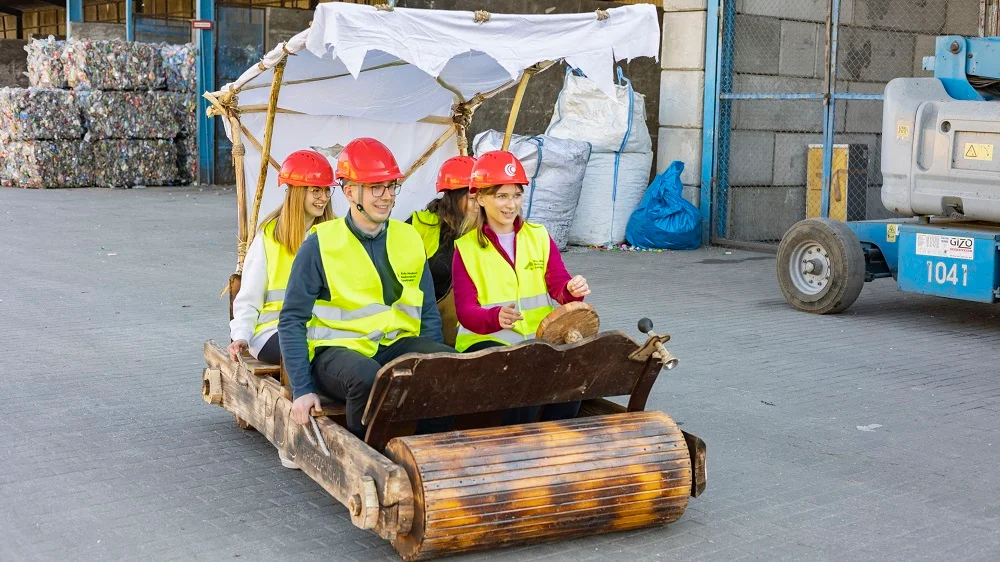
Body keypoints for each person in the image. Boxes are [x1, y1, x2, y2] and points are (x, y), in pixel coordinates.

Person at [278, 137, 455, 440]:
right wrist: (302, 389)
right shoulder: (321, 243)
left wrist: (430, 363)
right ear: (349, 192)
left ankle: (427, 449)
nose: (387, 196)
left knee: (446, 365)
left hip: (394, 344)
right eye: (376, 187)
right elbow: (291, 320)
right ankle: (369, 454)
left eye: (391, 186)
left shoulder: (408, 237)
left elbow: (426, 310)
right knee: (365, 377)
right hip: (336, 353)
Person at [452, 150, 591, 424]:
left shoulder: (539, 236)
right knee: (522, 377)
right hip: (484, 344)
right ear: (480, 198)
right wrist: (495, 317)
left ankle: (553, 440)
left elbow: (558, 284)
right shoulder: (465, 248)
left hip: (538, 343)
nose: (510, 204)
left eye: (516, 195)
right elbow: (465, 311)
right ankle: (520, 445)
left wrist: (572, 291)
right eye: (501, 196)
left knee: (574, 380)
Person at [228, 149, 336, 365]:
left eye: (326, 190)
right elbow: (250, 297)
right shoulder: (269, 235)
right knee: (304, 352)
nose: (323, 198)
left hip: (322, 330)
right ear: (296, 192)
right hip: (273, 331)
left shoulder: (336, 234)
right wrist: (241, 334)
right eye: (316, 190)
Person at [406, 155, 476, 346]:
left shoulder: (486, 231)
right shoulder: (419, 225)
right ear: (452, 197)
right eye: (471, 198)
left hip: (473, 333)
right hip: (422, 330)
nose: (479, 204)